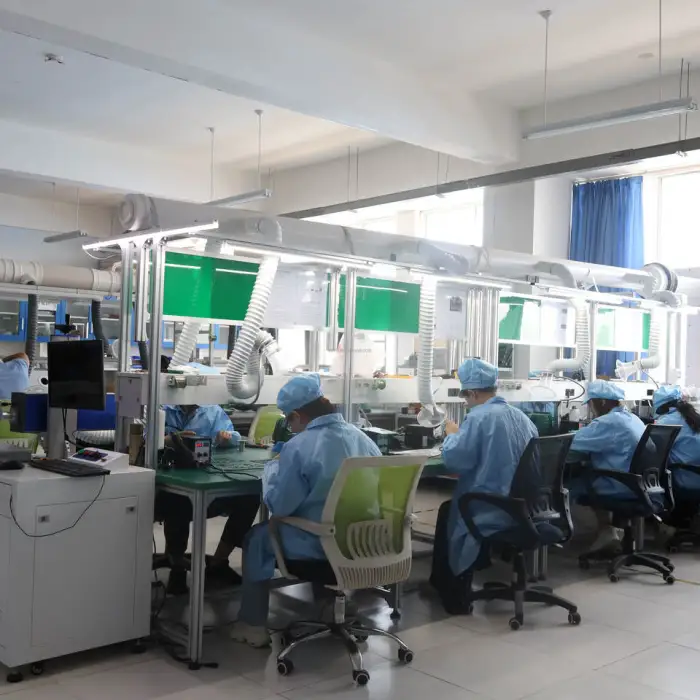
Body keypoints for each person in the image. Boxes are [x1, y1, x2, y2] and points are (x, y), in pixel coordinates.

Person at [229, 373, 381, 648]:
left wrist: (273, 469)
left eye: (288, 420)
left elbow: (279, 506)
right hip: (364, 541)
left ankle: (252, 625)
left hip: (322, 545)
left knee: (257, 539)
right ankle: (327, 605)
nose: (289, 427)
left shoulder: (299, 447)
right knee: (321, 522)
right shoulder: (364, 439)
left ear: (298, 415)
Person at [430, 358, 538, 615]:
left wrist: (452, 435)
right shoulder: (522, 418)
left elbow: (456, 460)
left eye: (465, 396)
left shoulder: (478, 418)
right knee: (450, 509)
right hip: (525, 507)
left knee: (450, 511)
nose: (466, 402)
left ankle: (453, 590)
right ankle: (457, 575)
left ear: (474, 393)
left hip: (491, 506)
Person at [155, 358, 259, 594]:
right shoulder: (162, 408)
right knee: (177, 502)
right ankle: (177, 567)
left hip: (206, 479)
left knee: (249, 498)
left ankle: (218, 562)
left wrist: (225, 438)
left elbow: (233, 436)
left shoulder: (212, 411)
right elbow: (143, 437)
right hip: (170, 485)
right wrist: (168, 440)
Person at [568, 380, 646, 555]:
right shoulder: (633, 418)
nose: (590, 409)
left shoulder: (608, 423)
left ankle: (597, 531)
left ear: (602, 402)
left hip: (619, 484)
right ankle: (608, 531)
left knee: (569, 485)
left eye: (590, 403)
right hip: (637, 483)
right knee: (589, 475)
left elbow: (571, 444)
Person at [653, 385, 700, 530]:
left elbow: (650, 449)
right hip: (695, 474)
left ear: (662, 407)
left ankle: (663, 523)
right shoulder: (693, 417)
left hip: (683, 478)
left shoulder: (667, 422)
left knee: (646, 476)